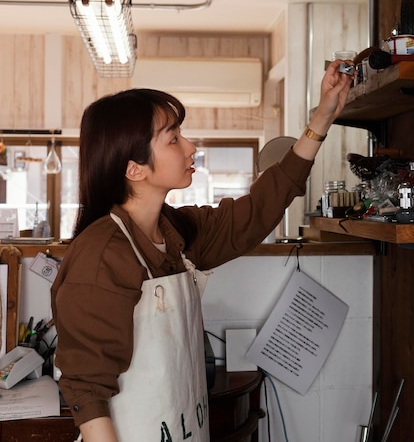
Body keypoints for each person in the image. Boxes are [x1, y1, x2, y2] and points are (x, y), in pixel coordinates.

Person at [51, 60, 354, 442]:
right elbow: (86, 392)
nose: (191, 146)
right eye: (173, 138)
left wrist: (321, 119)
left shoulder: (177, 232)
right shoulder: (100, 255)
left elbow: (257, 211)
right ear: (134, 169)